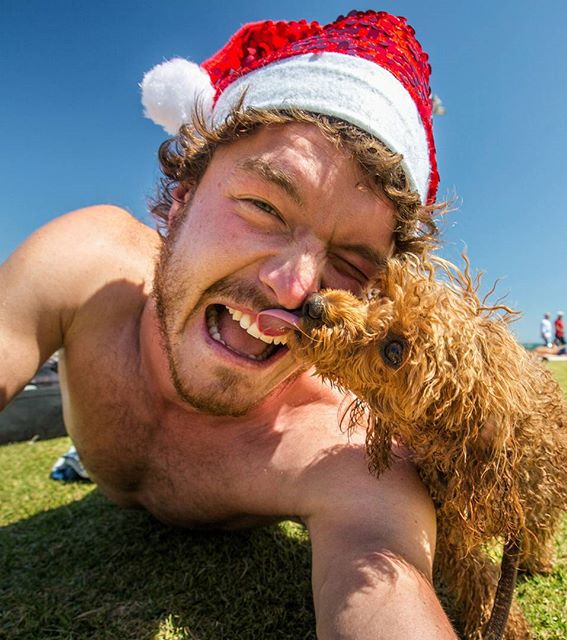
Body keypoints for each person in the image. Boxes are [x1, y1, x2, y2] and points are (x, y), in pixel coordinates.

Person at [0, 11, 457, 639]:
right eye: (264, 207)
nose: (294, 288)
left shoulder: (343, 449)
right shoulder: (88, 265)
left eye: (349, 263)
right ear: (182, 196)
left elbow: (387, 588)